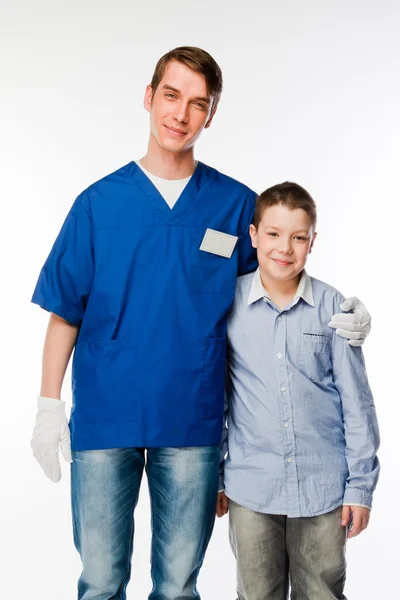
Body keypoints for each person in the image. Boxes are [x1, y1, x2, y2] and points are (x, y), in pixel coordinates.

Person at [30, 47, 372, 600]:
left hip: (194, 424)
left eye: (198, 104)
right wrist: (49, 407)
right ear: (149, 97)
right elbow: (65, 310)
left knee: (178, 583)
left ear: (210, 115)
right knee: (99, 581)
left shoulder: (235, 206)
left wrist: (343, 312)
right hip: (104, 418)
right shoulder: (97, 205)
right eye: (171, 96)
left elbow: (276, 288)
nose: (180, 114)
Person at [217, 182, 380, 600]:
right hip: (252, 487)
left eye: (298, 237)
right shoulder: (228, 305)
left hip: (323, 489)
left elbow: (356, 404)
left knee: (322, 592)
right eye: (272, 234)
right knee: (256, 593)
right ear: (253, 236)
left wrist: (360, 486)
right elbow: (216, 397)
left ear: (312, 241)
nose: (284, 248)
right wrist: (217, 476)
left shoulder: (333, 308)